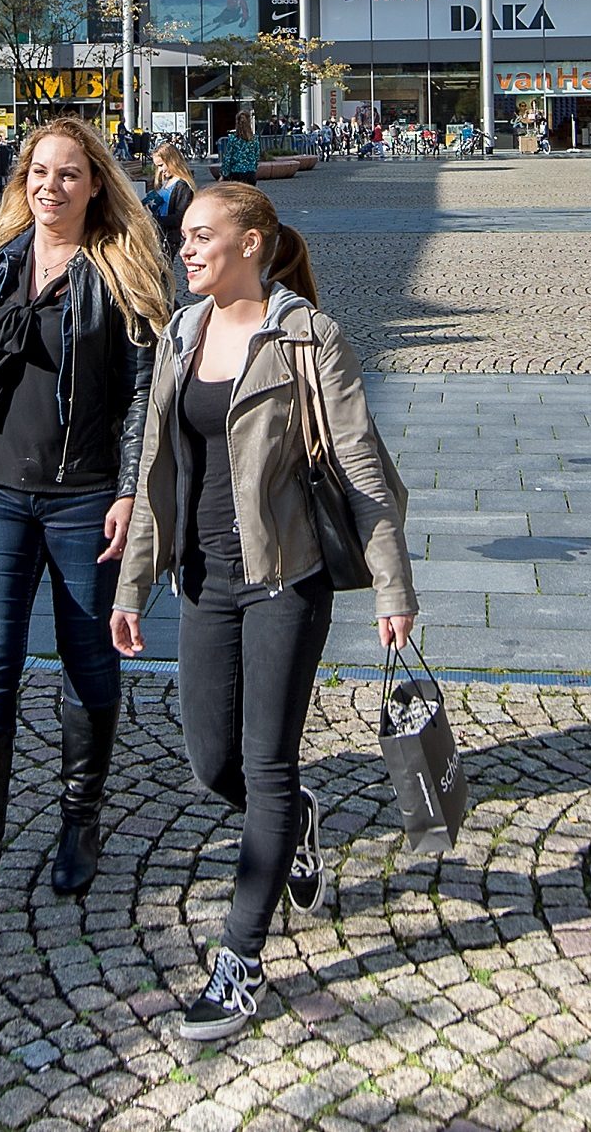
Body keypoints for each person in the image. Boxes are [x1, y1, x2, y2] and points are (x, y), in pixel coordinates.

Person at [112, 178, 415, 1047]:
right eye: (184, 236)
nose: (187, 247)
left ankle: (240, 961)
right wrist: (132, 587)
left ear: (252, 241)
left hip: (287, 577)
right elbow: (152, 476)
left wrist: (392, 587)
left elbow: (360, 464)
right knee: (211, 762)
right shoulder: (180, 332)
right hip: (203, 579)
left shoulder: (306, 336)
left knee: (267, 764)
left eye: (203, 234)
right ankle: (300, 823)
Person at [0, 119, 173, 950]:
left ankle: (80, 818)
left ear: (94, 184)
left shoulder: (120, 273)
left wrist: (129, 490)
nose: (51, 185)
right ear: (23, 180)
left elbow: (142, 400)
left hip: (85, 499)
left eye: (69, 173)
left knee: (87, 663)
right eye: (39, 171)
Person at [145, 141, 198, 252]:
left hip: (168, 238)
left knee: (162, 269)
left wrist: (154, 219)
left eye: (161, 165)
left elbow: (179, 218)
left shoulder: (183, 186)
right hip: (157, 234)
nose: (160, 170)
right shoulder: (166, 181)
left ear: (172, 161)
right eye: (157, 166)